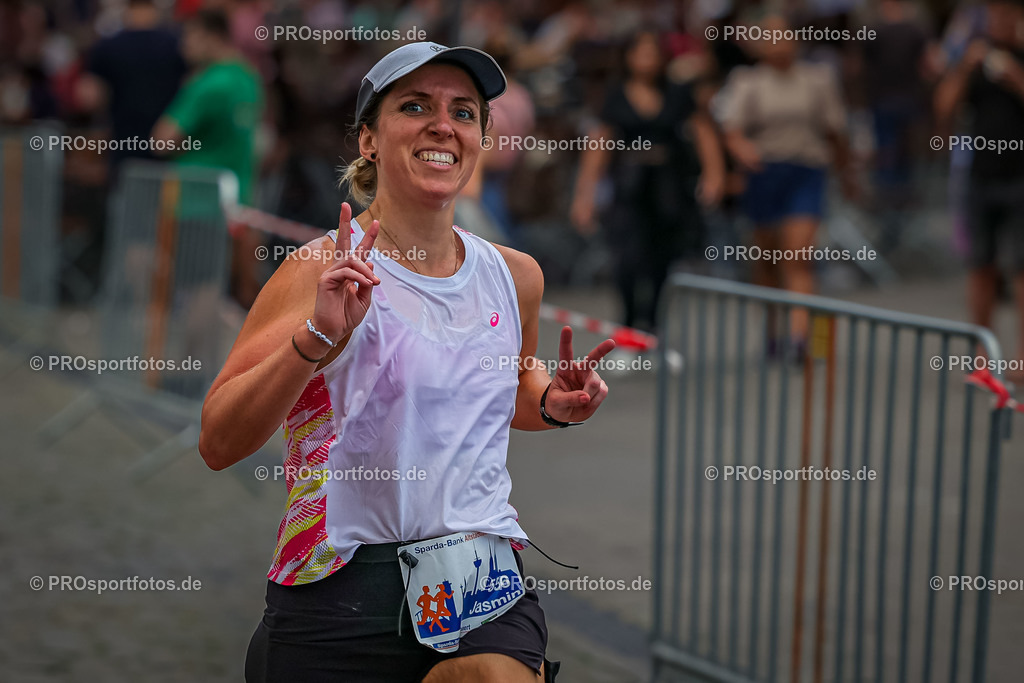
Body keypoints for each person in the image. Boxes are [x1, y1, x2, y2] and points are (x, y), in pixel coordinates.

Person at [198, 42, 614, 682]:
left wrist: (553, 405)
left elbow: (508, 393)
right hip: (342, 584)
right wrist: (314, 340)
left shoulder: (515, 275)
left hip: (482, 579)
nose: (442, 125)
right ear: (368, 140)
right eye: (414, 106)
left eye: (464, 111)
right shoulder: (319, 270)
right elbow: (219, 440)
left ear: (480, 139)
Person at [719, 15, 856, 360]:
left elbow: (835, 131)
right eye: (770, 37)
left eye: (784, 36)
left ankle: (801, 336)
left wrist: (848, 174)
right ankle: (771, 331)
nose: (778, 43)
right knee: (767, 259)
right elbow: (730, 129)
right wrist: (742, 151)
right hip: (764, 173)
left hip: (807, 171)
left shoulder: (817, 80)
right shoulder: (747, 81)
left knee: (798, 257)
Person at [570, 28, 725, 333]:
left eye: (653, 52)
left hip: (669, 188)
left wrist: (714, 174)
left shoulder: (677, 93)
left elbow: (703, 132)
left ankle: (652, 328)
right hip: (629, 188)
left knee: (662, 262)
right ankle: (628, 326)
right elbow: (599, 145)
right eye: (639, 52)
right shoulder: (615, 95)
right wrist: (584, 195)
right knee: (626, 261)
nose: (646, 60)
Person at [151, 8, 265, 308]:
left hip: (195, 203)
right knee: (216, 287)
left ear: (211, 37)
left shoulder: (207, 84)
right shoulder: (248, 78)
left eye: (189, 36)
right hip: (235, 198)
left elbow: (161, 140)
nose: (183, 46)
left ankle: (195, 356)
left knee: (197, 289)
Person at [935, 0, 1024, 381]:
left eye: (1007, 14)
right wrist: (963, 68)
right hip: (980, 177)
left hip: (1020, 178)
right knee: (980, 267)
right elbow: (943, 109)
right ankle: (982, 355)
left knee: (1021, 269)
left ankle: (1021, 359)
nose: (999, 21)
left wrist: (1016, 78)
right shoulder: (976, 60)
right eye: (993, 14)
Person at [78, 0, 187, 171]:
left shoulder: (106, 47)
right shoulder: (177, 45)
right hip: (168, 146)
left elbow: (89, 99)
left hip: (124, 145)